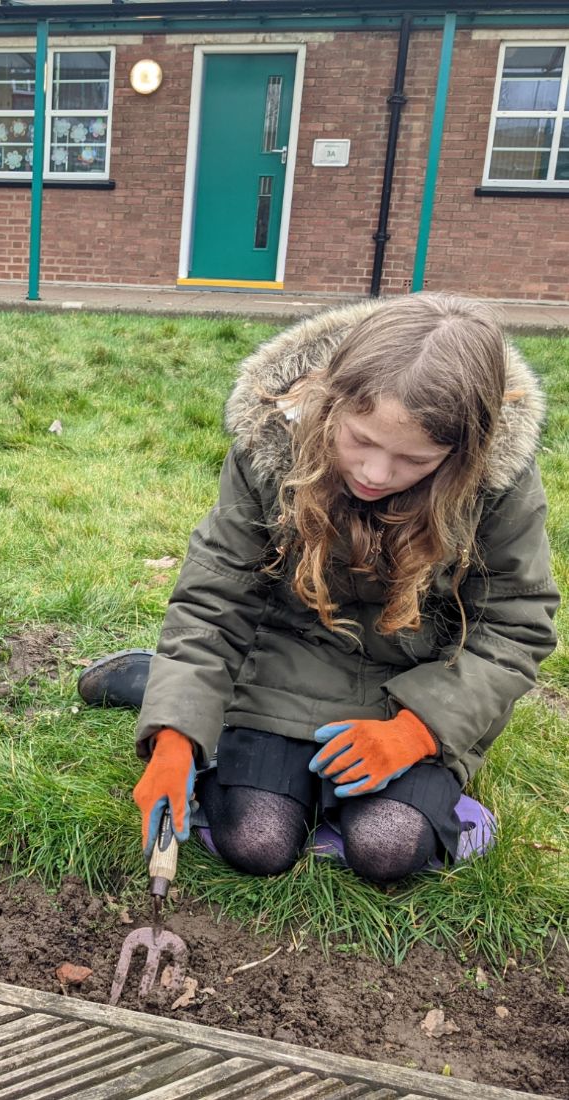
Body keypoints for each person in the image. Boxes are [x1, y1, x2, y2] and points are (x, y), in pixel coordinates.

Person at [80, 294, 559, 884]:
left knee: (388, 847)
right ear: (328, 402)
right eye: (360, 440)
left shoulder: (497, 483)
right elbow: (216, 599)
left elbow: (516, 626)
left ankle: (398, 802)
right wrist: (176, 734)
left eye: (414, 459)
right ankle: (170, 689)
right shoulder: (269, 451)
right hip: (286, 662)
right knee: (255, 841)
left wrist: (419, 731)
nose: (376, 474)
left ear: (463, 450)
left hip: (413, 687)